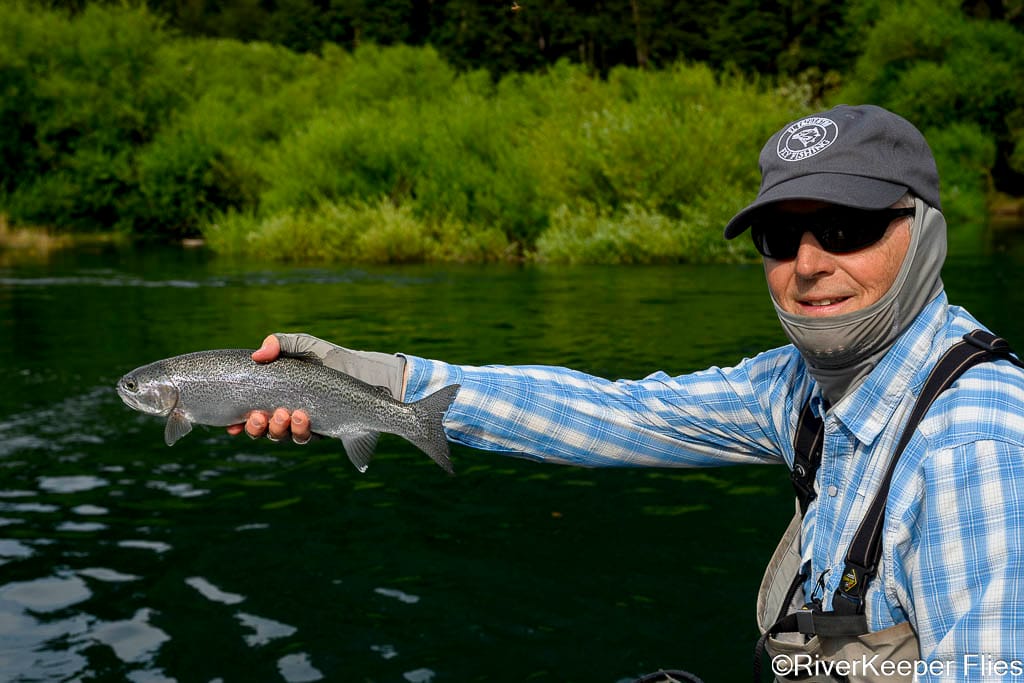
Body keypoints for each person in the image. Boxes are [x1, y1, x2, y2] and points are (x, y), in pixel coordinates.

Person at [230, 105, 1024, 681]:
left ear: (922, 233)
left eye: (847, 228)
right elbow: (617, 413)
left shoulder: (975, 448)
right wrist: (377, 379)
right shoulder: (801, 388)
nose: (808, 264)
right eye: (781, 238)